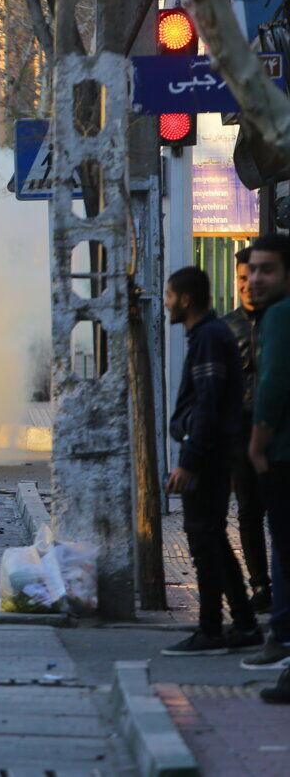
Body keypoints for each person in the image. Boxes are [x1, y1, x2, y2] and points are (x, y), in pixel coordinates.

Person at [161, 266, 262, 656]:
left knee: (204, 542)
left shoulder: (207, 337)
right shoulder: (212, 334)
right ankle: (245, 623)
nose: (167, 303)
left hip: (208, 457)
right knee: (214, 540)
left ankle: (210, 630)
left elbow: (207, 404)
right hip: (214, 453)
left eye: (169, 296)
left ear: (185, 299)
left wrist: (188, 461)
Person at [245, 235, 290, 701]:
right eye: (253, 269)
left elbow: (273, 386)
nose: (256, 279)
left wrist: (258, 445)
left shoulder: (278, 316)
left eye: (268, 270)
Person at [222, 247, 272, 611]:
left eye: (254, 276)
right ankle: (260, 586)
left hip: (279, 434)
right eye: (242, 278)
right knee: (249, 514)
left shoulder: (281, 321)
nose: (248, 285)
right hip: (240, 437)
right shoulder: (227, 328)